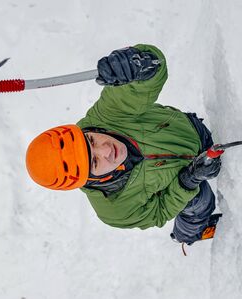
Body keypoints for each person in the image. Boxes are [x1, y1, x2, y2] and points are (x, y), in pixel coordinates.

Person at [25, 44, 222, 246]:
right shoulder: (114, 208)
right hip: (181, 182)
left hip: (191, 131)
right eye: (94, 161)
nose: (106, 149)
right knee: (201, 202)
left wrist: (138, 64)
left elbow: (150, 75)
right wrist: (187, 181)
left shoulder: (107, 115)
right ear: (89, 179)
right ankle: (187, 235)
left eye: (92, 140)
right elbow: (159, 211)